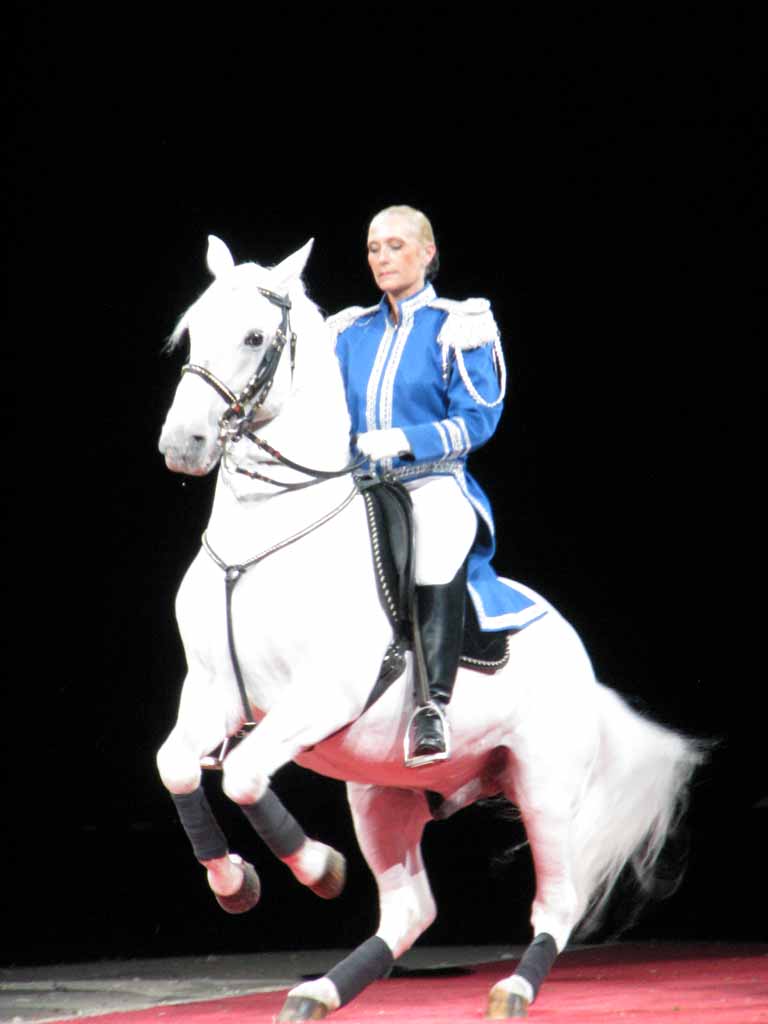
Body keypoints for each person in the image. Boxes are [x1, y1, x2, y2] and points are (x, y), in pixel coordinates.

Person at [331, 205, 537, 767]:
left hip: (431, 483)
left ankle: (431, 705)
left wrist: (403, 439)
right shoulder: (349, 332)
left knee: (437, 542)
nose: (381, 257)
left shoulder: (458, 324)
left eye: (395, 246)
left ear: (427, 252)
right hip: (357, 486)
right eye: (373, 248)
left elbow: (479, 418)